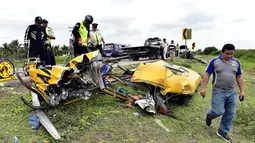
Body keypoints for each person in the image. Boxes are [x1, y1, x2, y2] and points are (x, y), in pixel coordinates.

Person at [200, 43, 245, 143]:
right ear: (222, 52)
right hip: (218, 91)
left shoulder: (236, 62)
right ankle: (209, 115)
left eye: (231, 54)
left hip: (232, 92)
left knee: (230, 114)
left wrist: (242, 91)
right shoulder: (214, 61)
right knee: (218, 111)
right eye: (227, 54)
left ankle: (222, 132)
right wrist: (203, 88)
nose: (229, 56)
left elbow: (239, 77)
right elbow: (207, 74)